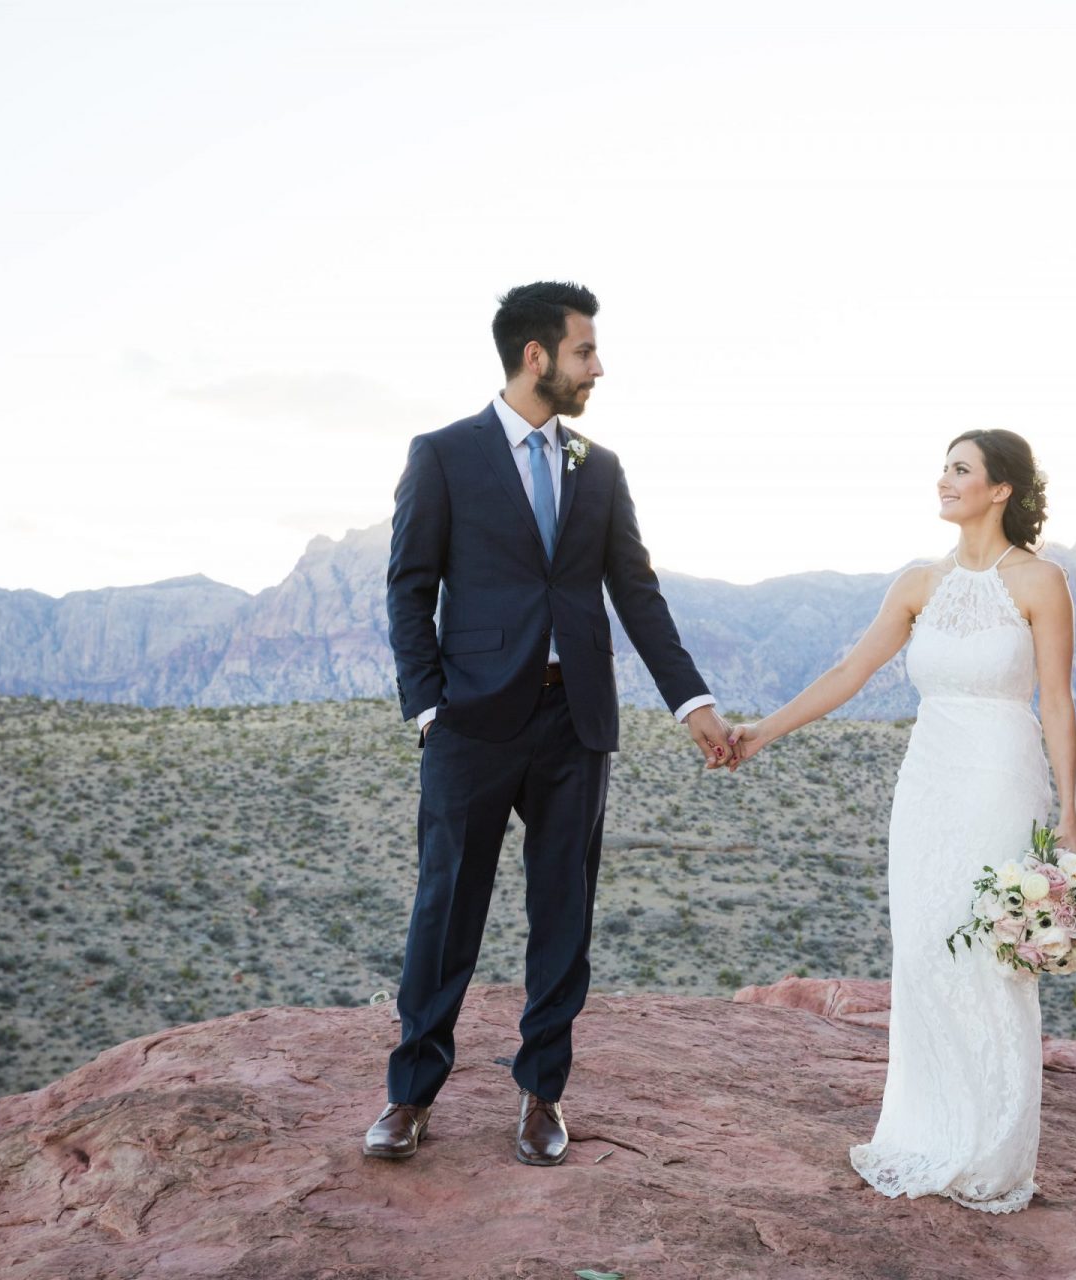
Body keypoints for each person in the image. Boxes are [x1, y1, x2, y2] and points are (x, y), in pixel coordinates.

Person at [366, 280, 735, 1165]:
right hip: (472, 722)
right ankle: (410, 1096)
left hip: (577, 722)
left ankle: (541, 1097)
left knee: (563, 914)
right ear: (536, 357)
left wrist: (693, 703)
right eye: (584, 352)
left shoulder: (597, 468)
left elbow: (636, 594)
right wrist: (426, 706)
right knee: (445, 910)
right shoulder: (444, 454)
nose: (596, 368)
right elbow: (410, 588)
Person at [726, 428, 1076, 1212]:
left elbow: (1056, 701)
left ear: (1001, 490)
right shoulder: (917, 583)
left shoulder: (1040, 580)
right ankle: (927, 1130)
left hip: (1001, 778)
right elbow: (849, 673)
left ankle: (992, 1149)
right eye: (945, 467)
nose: (944, 480)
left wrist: (1069, 814)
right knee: (925, 949)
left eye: (961, 469)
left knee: (992, 953)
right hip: (927, 784)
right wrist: (762, 732)